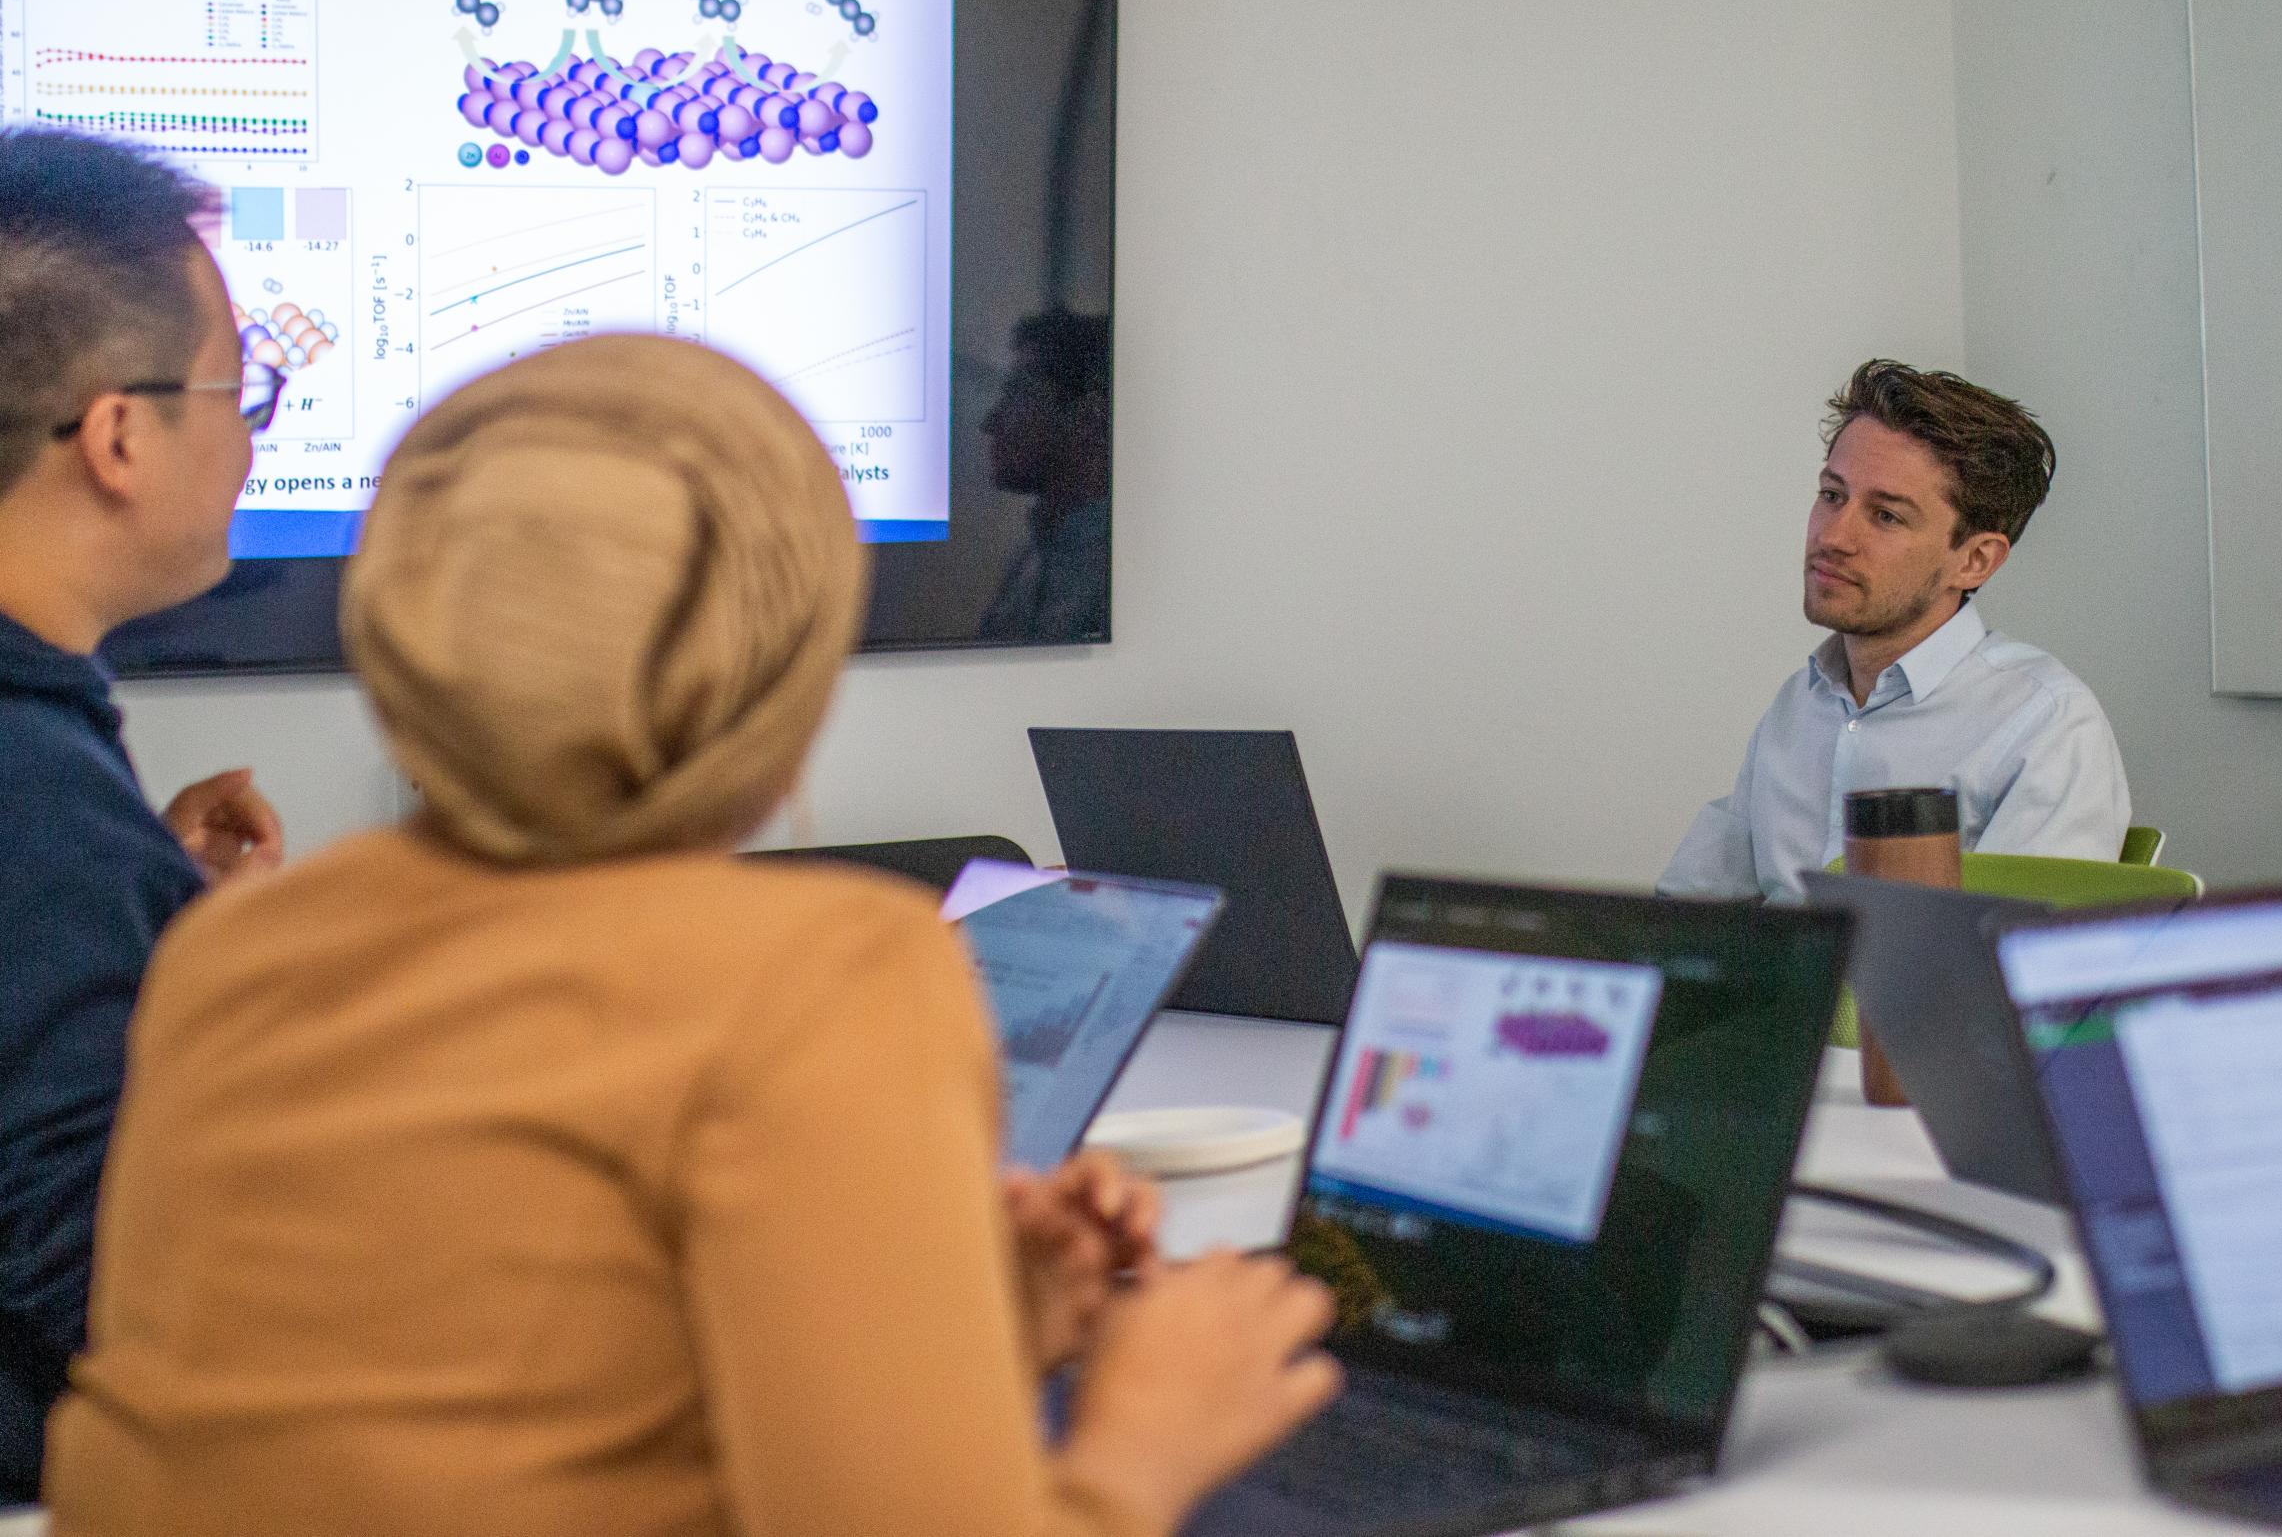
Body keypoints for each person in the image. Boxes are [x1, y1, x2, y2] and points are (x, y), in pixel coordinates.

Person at [46, 336, 1338, 1536]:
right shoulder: (823, 981)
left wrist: (969, 1310)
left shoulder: (234, 953)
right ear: (780, 645)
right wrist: (1152, 1430)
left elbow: (490, 1394)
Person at [0, 128, 285, 1502]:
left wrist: (148, 915)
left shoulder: (50, 795)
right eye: (244, 389)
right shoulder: (33, 799)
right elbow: (122, 1296)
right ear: (118, 433)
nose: (248, 437)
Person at [1661, 359, 2129, 899]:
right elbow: (1690, 910)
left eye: (1886, 516)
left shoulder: (2044, 723)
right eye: (1832, 495)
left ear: (1974, 561)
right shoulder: (1799, 705)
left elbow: (2019, 965)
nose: (1834, 536)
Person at [978, 307, 1113, 642]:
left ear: (1088, 415)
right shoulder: (1038, 552)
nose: (990, 422)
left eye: (1018, 392)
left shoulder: (1114, 577)